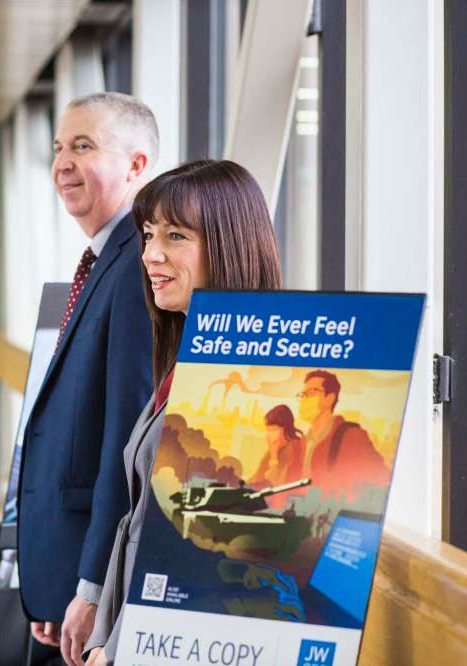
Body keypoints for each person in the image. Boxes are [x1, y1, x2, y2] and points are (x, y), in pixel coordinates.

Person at [84, 159, 282, 665]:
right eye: (149, 234)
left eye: (175, 236)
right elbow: (141, 523)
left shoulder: (248, 383)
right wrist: (105, 639)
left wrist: (119, 645)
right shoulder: (186, 363)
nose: (151, 254)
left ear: (228, 244)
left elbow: (188, 547)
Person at [18, 92, 156, 666]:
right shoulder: (103, 260)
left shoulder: (136, 269)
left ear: (136, 166)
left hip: (90, 578)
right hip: (66, 566)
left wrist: (92, 585)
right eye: (57, 148)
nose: (62, 164)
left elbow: (123, 436)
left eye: (83, 146)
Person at [297, 369, 390, 499]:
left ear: (330, 399)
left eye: (312, 392)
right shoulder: (302, 442)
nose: (304, 399)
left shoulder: (352, 436)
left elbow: (382, 478)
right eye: (302, 394)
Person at [249, 404, 306, 491]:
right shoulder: (274, 450)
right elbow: (256, 477)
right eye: (268, 430)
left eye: (274, 429)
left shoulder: (295, 449)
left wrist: (274, 456)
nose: (270, 435)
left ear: (286, 428)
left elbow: (273, 484)